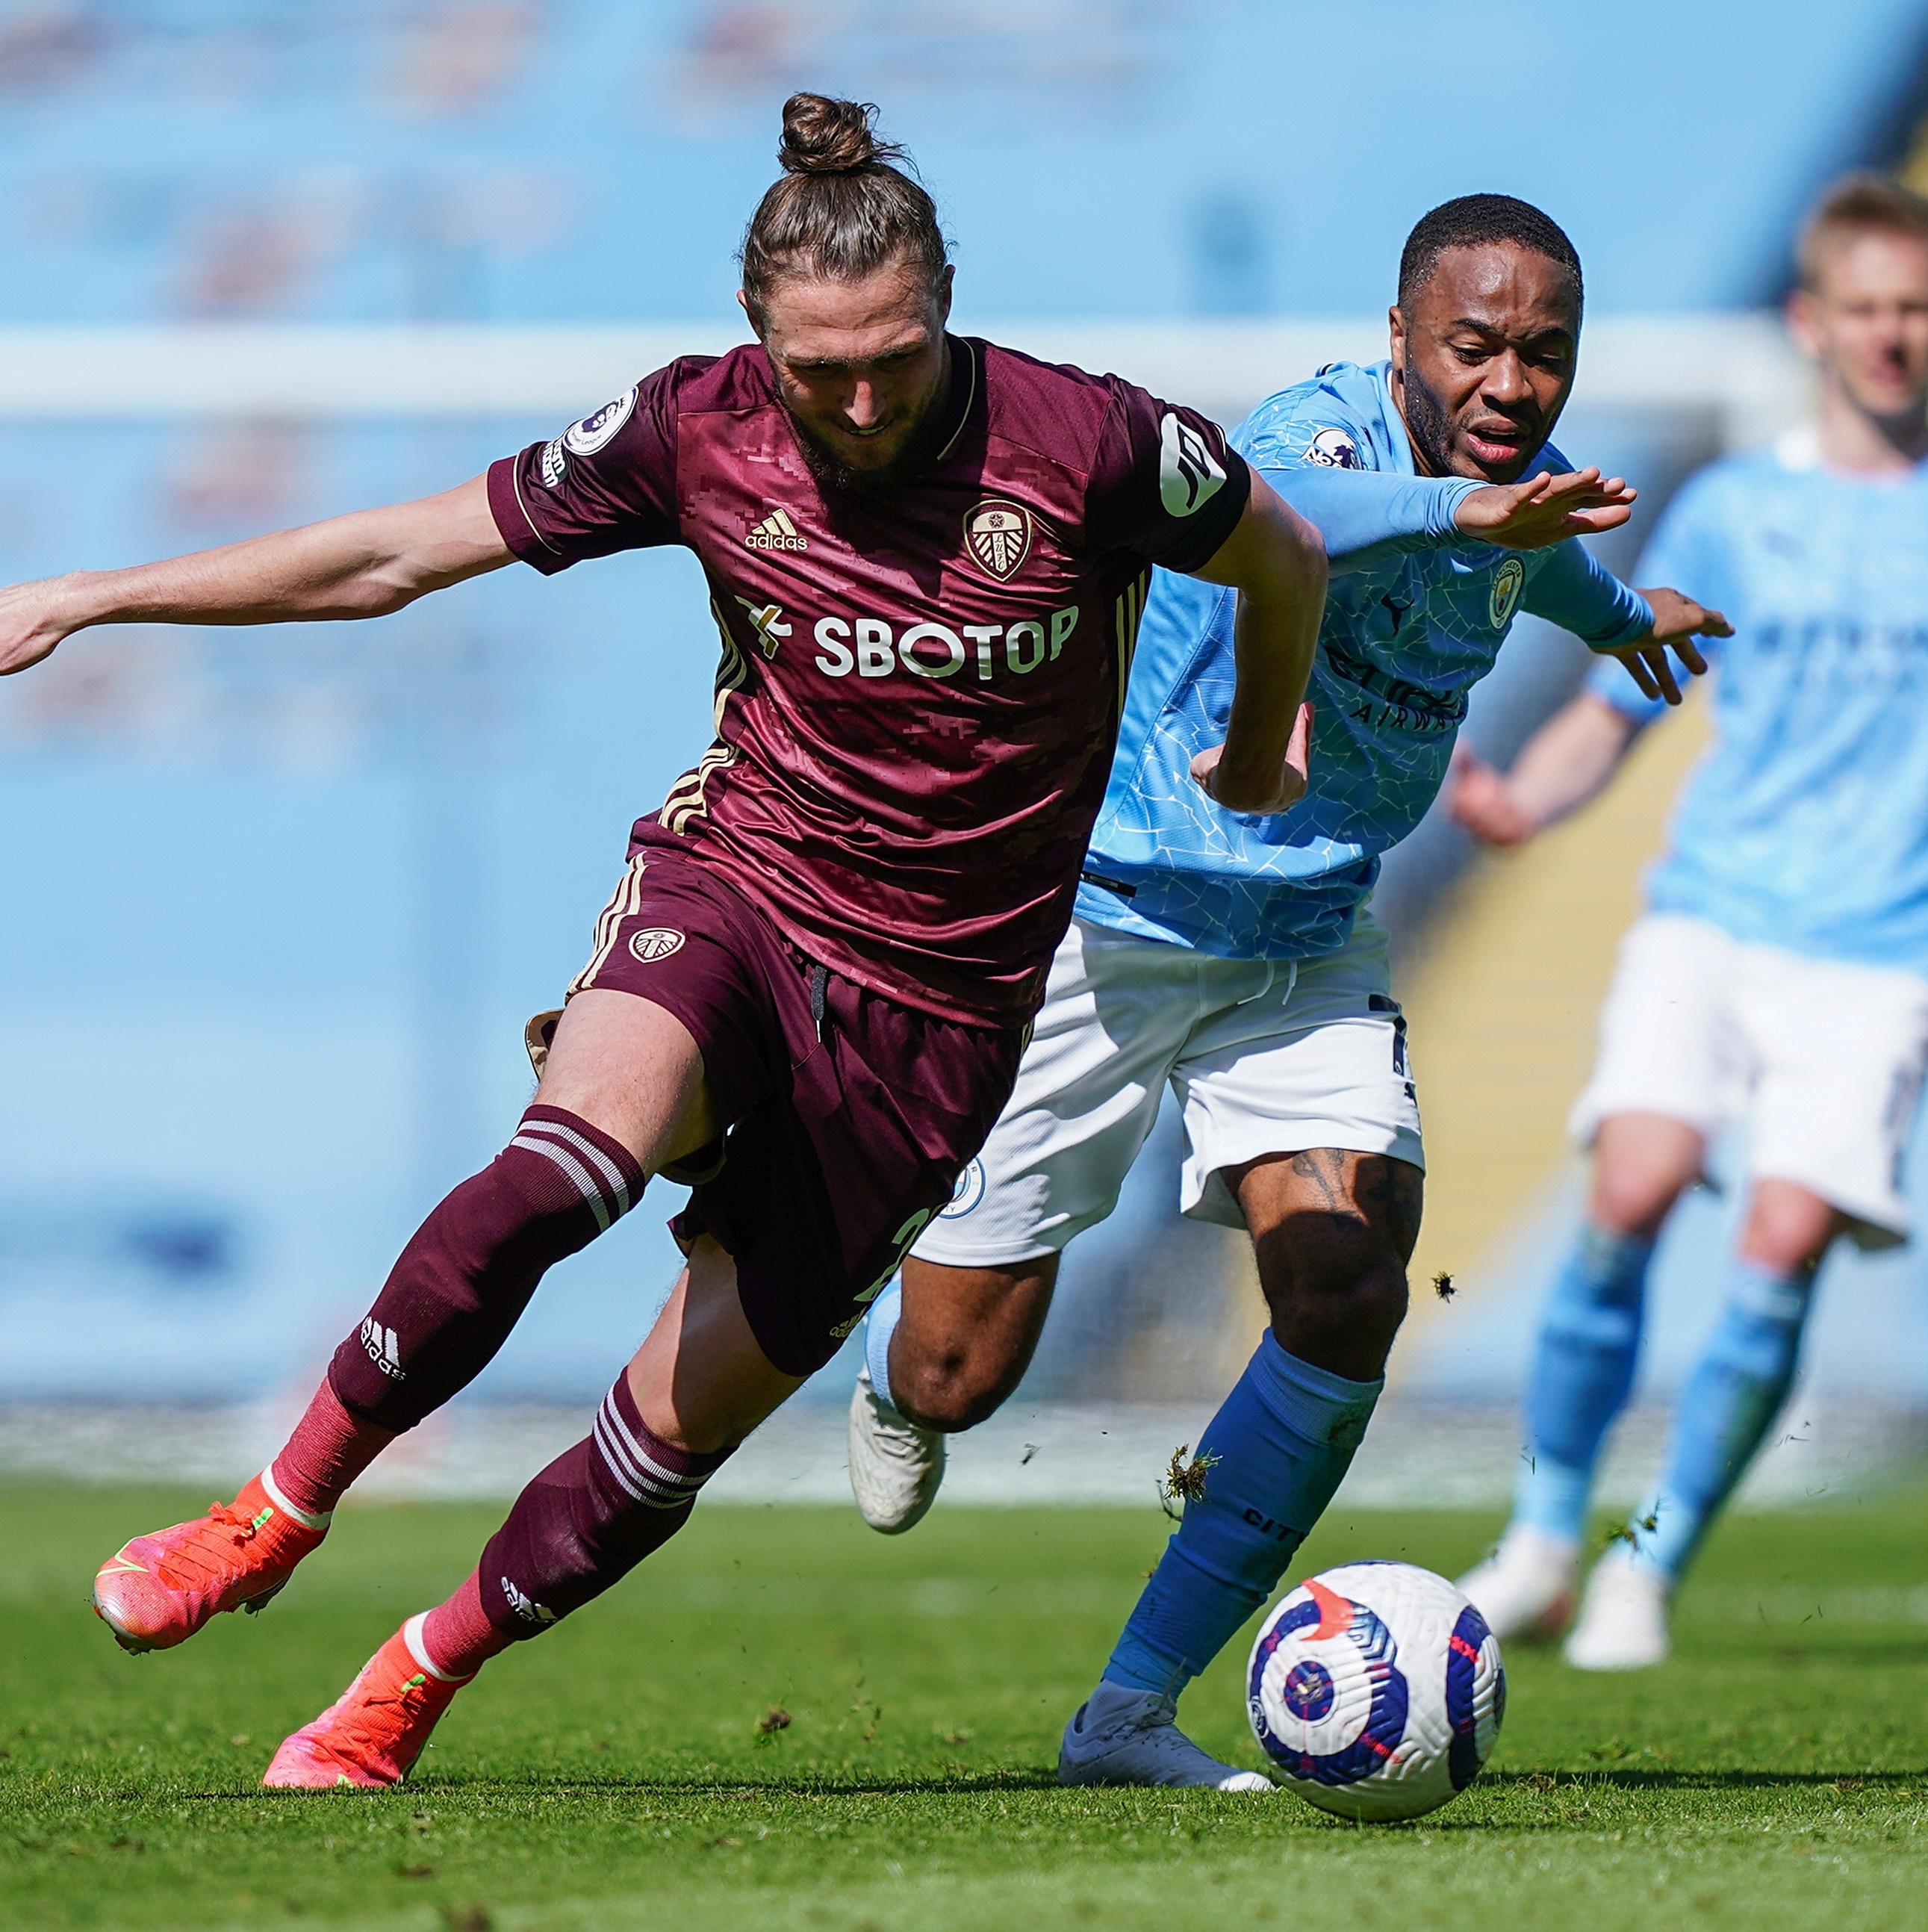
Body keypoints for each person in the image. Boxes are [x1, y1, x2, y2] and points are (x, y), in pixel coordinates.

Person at [15, 93, 1331, 1788]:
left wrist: (1248, 742)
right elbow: (393, 557)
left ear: (946, 307)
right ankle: (276, 1510)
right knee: (567, 1163)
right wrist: (86, 593)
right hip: (747, 889)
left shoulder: (1090, 443)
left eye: (896, 360)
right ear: (753, 339)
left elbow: (1282, 554)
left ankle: (409, 1680)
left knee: (664, 1433)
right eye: (818, 370)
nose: (860, 402)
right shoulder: (690, 427)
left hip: (944, 1014)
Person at [842, 193, 1726, 1787]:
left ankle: (1125, 1712)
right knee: (955, 1377)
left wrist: (1625, 620)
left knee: (1350, 1291)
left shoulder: (1511, 508)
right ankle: (885, 1345)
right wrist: (1478, 523)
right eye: (1475, 345)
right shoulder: (1308, 438)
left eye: (1544, 353)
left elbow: (1539, 576)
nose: (1512, 384)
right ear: (1399, 338)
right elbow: (1305, 525)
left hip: (1307, 940)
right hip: (1112, 924)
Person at [1452, 173, 1928, 1671]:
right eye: (1866, 308)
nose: (1892, 336)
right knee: (1633, 1190)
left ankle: (1646, 1565)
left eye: (1915, 309)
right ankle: (1538, 1535)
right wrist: (1528, 803)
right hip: (1712, 916)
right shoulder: (1733, 512)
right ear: (1811, 322)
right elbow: (1623, 694)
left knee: (1781, 1239)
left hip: (1880, 945)